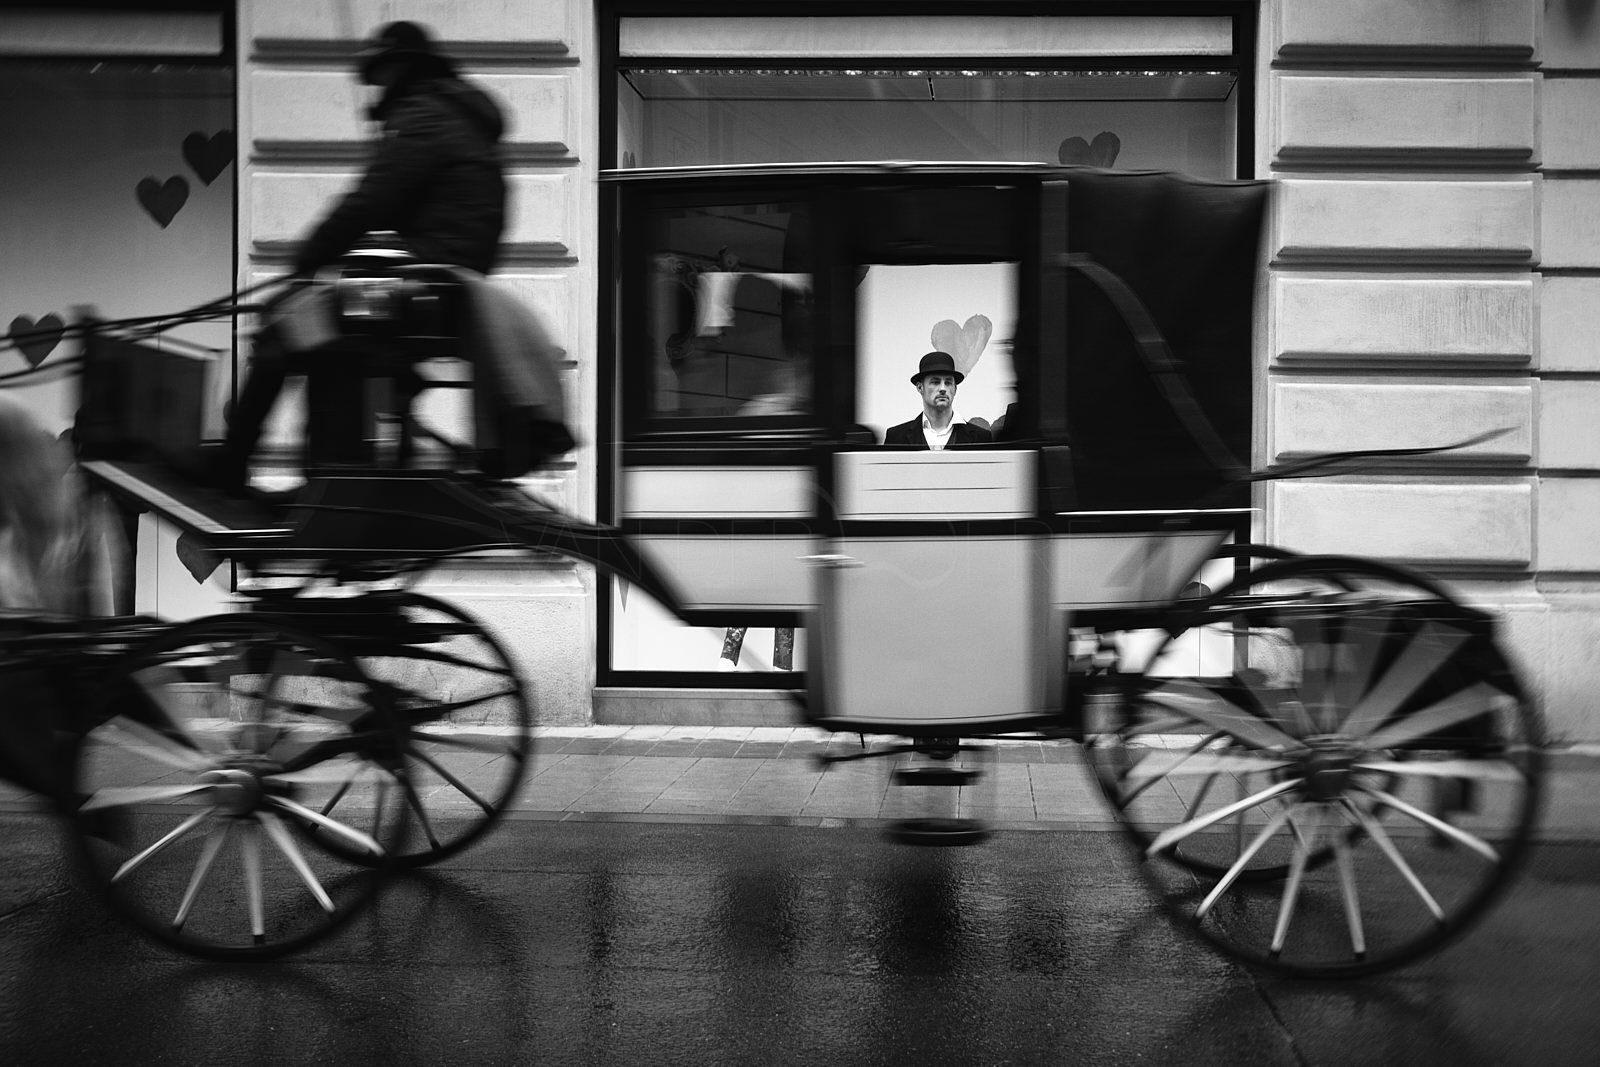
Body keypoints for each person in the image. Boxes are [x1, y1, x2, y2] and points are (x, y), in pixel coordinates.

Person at [206, 20, 510, 490]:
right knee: (320, 326)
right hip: (439, 288)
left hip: (426, 291)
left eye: (381, 72)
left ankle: (241, 465)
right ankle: (331, 473)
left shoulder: (427, 116)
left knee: (285, 319)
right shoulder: (457, 118)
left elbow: (370, 202)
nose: (376, 86)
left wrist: (309, 260)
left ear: (404, 68)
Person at [882, 351, 993, 449]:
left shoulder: (981, 438)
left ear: (955, 389)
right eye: (935, 382)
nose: (943, 389)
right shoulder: (896, 437)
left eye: (948, 383)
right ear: (920, 388)